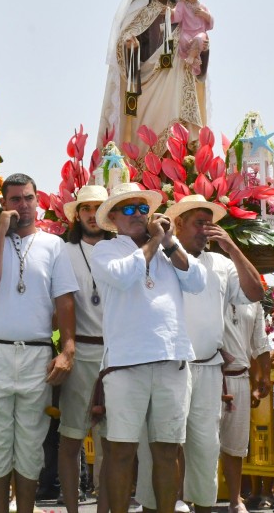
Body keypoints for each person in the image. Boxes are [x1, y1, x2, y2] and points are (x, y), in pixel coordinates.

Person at [133, 195, 263, 513]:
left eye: (210, 223)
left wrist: (232, 248)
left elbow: (256, 292)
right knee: (161, 448)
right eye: (198, 223)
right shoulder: (160, 259)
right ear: (177, 224)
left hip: (208, 369)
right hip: (167, 368)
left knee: (205, 449)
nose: (206, 230)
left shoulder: (221, 264)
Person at [90, 182, 206, 513]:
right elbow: (123, 276)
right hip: (126, 364)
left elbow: (197, 281)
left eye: (143, 208)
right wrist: (156, 241)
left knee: (167, 451)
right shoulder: (107, 250)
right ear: (112, 217)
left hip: (172, 360)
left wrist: (169, 241)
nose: (138, 215)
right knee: (121, 451)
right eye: (128, 209)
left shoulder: (168, 250)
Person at [0, 172, 78, 513]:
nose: (23, 206)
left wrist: (68, 349)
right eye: (15, 199)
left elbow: (64, 300)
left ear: (37, 201)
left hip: (36, 354)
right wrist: (0, 230)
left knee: (31, 444)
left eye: (28, 198)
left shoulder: (53, 245)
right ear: (4, 204)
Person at [96, 0, 205, 151]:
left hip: (175, 80)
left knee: (176, 134)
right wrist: (130, 43)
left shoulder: (182, 8)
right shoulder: (140, 9)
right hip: (148, 81)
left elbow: (195, 33)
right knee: (148, 135)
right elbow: (126, 37)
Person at [55, 185, 112, 513]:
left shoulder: (121, 249)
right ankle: (73, 510)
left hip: (117, 357)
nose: (92, 214)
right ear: (77, 214)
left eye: (99, 207)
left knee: (113, 444)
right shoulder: (64, 251)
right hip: (79, 353)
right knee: (71, 440)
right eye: (86, 207)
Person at [217, 245, 271, 513]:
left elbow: (260, 342)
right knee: (199, 442)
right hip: (209, 373)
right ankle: (187, 496)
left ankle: (234, 499)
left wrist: (264, 377)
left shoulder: (254, 299)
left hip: (239, 378)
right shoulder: (212, 292)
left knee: (236, 446)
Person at [171, 0, 212, 78]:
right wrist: (170, 11)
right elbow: (177, 16)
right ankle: (192, 59)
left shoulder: (203, 8)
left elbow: (211, 23)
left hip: (200, 33)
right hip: (186, 32)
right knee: (182, 40)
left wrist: (205, 15)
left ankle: (192, 57)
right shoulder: (182, 5)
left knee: (199, 39)